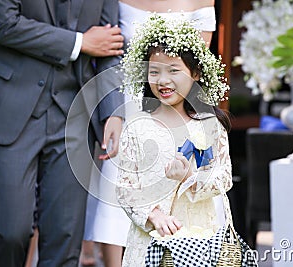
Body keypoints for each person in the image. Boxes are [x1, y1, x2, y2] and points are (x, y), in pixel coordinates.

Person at [0, 0, 125, 266]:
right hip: (8, 105)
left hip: (73, 111)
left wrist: (113, 109)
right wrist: (78, 43)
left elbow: (109, 42)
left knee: (64, 237)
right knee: (9, 230)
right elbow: (4, 24)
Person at [82, 1, 218, 266]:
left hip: (176, 101)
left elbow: (197, 59)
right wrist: (114, 113)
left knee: (175, 180)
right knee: (117, 188)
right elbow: (111, 53)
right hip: (128, 100)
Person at [115, 15, 232, 266]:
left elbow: (223, 178)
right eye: (154, 72)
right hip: (149, 242)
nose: (163, 81)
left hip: (200, 239)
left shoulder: (208, 125)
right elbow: (126, 189)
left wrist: (190, 176)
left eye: (174, 70)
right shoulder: (137, 127)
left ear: (196, 73)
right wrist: (153, 216)